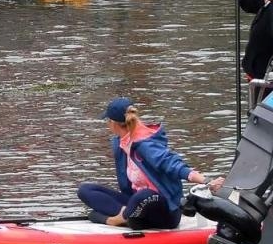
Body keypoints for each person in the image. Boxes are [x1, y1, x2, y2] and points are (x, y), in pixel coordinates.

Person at [76, 98, 219, 230]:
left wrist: (206, 181)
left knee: (143, 195)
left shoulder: (145, 144)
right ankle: (126, 218)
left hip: (164, 212)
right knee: (85, 190)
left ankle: (117, 219)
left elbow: (174, 165)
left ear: (113, 123)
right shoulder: (120, 143)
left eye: (107, 120)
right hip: (136, 205)